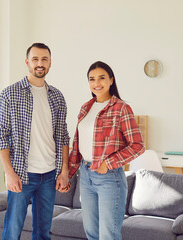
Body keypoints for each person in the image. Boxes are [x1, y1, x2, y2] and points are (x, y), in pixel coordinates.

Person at [0, 43, 70, 240]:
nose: (40, 63)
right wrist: (9, 173)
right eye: (35, 59)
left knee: (43, 232)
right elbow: (0, 134)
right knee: (12, 230)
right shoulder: (10, 94)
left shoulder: (57, 97)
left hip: (49, 175)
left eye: (44, 59)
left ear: (50, 63)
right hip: (21, 174)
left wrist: (64, 171)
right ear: (27, 62)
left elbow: (62, 136)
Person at [68, 61, 145, 240]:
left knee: (108, 235)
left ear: (111, 80)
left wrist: (107, 164)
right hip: (86, 176)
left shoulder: (121, 108)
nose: (97, 83)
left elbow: (137, 145)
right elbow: (78, 145)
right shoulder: (85, 108)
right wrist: (70, 174)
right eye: (91, 79)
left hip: (109, 178)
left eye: (102, 78)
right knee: (91, 233)